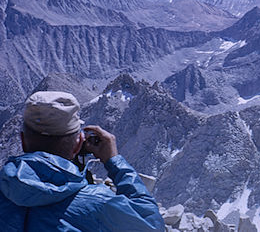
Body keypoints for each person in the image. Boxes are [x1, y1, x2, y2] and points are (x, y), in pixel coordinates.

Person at [0, 91, 165, 231]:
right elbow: (151, 224)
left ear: (22, 140)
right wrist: (114, 161)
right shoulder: (97, 201)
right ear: (79, 143)